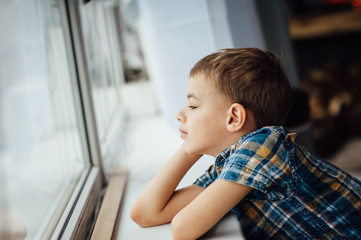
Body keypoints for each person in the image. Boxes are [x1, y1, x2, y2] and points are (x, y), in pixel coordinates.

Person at [130, 48, 361, 239]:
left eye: (192, 106)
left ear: (233, 118)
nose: (180, 114)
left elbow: (183, 229)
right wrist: (190, 147)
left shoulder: (263, 146)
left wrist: (192, 145)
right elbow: (145, 213)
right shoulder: (229, 165)